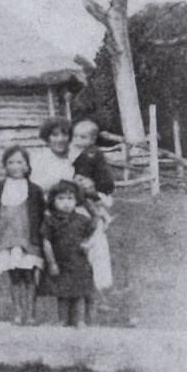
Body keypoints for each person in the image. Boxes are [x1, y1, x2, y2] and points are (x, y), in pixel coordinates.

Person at [0, 146, 46, 326]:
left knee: (29, 276)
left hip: (28, 238)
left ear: (27, 165)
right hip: (6, 238)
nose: (15, 166)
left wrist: (40, 238)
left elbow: (40, 215)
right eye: (11, 162)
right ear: (5, 166)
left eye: (20, 162)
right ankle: (17, 312)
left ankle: (30, 314)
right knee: (14, 276)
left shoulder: (35, 190)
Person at [39, 180, 98, 327]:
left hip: (78, 261)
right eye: (61, 199)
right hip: (60, 262)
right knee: (62, 293)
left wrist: (88, 244)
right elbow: (46, 241)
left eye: (70, 199)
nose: (66, 203)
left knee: (79, 292)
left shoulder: (82, 220)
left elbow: (93, 231)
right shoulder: (50, 221)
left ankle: (80, 320)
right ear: (53, 201)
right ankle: (63, 320)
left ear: (77, 200)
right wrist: (51, 262)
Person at [69, 118, 115, 290]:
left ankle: (102, 282)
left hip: (95, 192)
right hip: (84, 194)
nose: (77, 141)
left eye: (82, 137)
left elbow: (101, 178)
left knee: (96, 237)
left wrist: (91, 186)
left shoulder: (91, 153)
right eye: (75, 137)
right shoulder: (81, 152)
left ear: (92, 139)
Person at [28, 116, 76, 193]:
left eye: (64, 134)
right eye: (55, 135)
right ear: (47, 137)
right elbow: (36, 189)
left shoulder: (76, 156)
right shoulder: (39, 159)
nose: (60, 139)